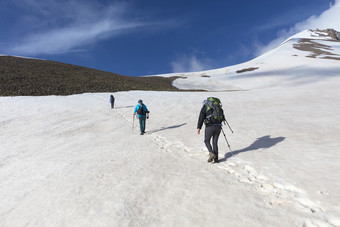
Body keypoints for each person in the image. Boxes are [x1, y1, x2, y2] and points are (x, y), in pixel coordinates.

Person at [197, 97, 226, 163]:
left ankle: (211, 154)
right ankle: (216, 159)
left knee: (206, 141)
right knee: (215, 142)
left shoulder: (205, 106)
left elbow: (201, 117)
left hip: (210, 126)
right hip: (218, 126)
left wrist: (199, 127)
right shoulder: (218, 106)